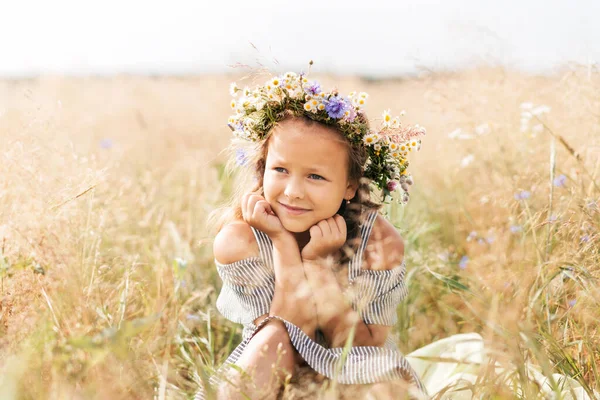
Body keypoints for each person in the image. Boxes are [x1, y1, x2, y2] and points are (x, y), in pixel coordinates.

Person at [195, 66, 427, 400]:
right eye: (280, 170)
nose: (292, 192)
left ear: (349, 185)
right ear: (262, 170)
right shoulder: (240, 240)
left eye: (315, 177)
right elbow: (289, 329)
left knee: (384, 384)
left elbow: (360, 347)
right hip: (278, 375)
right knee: (273, 337)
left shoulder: (377, 244)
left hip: (356, 370)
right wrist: (283, 244)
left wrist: (319, 267)